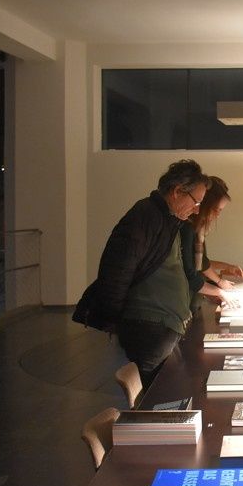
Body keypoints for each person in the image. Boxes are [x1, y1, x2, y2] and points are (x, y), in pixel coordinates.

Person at [90, 159, 209, 388]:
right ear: (177, 191)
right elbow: (117, 271)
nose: (197, 209)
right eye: (196, 202)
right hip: (149, 328)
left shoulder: (166, 218)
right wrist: (114, 319)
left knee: (170, 390)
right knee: (162, 395)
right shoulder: (146, 216)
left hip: (161, 326)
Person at [181, 176, 242, 307]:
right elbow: (192, 271)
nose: (218, 215)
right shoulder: (188, 229)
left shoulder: (197, 230)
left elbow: (200, 262)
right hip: (185, 302)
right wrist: (219, 287)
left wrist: (212, 291)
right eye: (216, 209)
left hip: (193, 300)